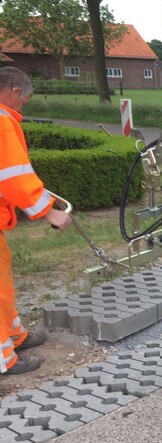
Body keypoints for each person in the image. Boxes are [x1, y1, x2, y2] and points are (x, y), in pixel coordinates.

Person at [0, 66, 72, 375]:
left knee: (3, 283)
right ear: (14, 92)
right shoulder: (1, 121)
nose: (22, 108)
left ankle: (15, 335)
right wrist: (48, 211)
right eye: (24, 101)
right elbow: (13, 176)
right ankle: (6, 359)